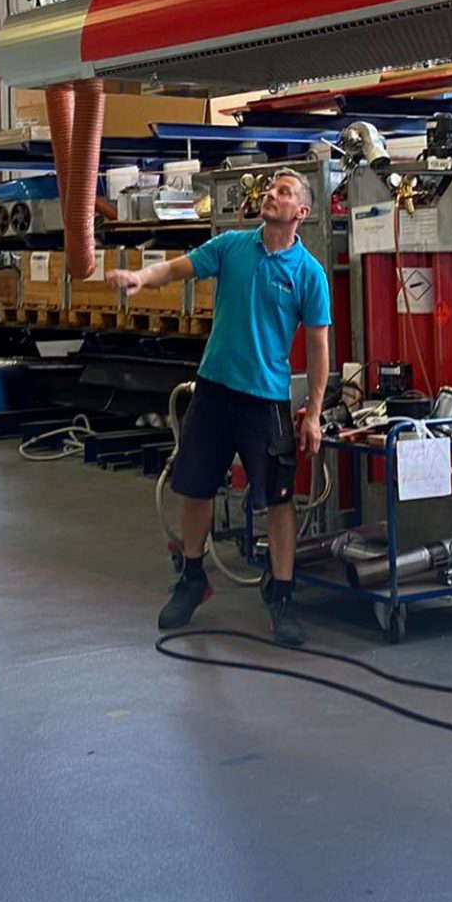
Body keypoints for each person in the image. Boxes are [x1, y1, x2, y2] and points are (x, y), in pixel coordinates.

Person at [109, 169, 330, 645]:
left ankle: (282, 596)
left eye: (284, 191)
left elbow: (317, 348)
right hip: (213, 391)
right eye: (272, 188)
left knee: (279, 500)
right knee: (195, 487)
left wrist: (312, 412)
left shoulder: (309, 274)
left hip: (266, 400)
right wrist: (140, 278)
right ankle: (193, 579)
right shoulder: (231, 247)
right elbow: (176, 268)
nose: (272, 194)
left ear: (302, 213)